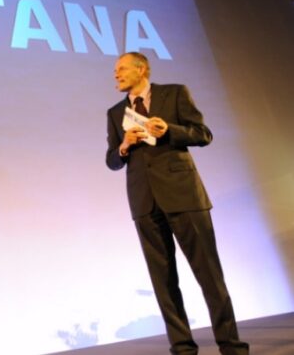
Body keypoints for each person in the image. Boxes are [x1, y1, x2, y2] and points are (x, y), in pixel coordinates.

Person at [105, 52, 249, 355]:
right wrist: (125, 145)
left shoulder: (174, 93)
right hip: (144, 203)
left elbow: (203, 134)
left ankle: (231, 346)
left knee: (209, 275)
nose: (116, 74)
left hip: (184, 196)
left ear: (141, 70)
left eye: (121, 69)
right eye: (115, 70)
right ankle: (182, 348)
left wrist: (170, 130)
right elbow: (112, 161)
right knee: (163, 282)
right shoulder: (115, 112)